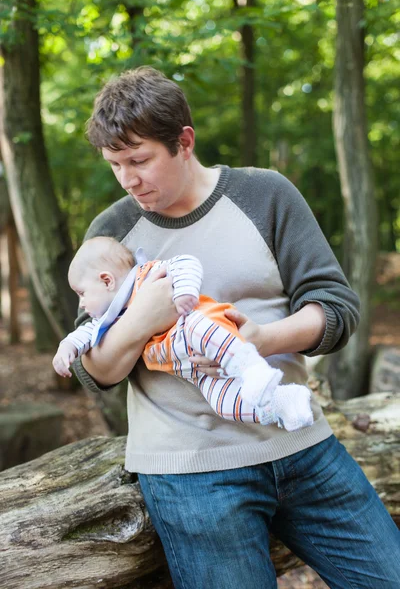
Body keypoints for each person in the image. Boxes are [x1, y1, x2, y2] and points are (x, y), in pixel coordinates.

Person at [72, 67, 400, 588]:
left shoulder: (265, 194)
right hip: (191, 474)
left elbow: (335, 307)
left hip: (302, 444)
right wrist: (141, 319)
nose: (128, 180)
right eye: (115, 165)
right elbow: (95, 370)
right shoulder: (112, 232)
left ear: (184, 141)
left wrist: (264, 339)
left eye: (139, 160)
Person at [53, 236, 314, 431]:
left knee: (198, 327)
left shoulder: (148, 275)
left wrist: (184, 293)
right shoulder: (106, 321)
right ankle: (280, 403)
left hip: (202, 325)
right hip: (196, 370)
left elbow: (185, 263)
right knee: (222, 404)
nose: (82, 305)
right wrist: (66, 349)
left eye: (82, 294)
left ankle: (254, 371)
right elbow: (83, 336)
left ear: (106, 280)